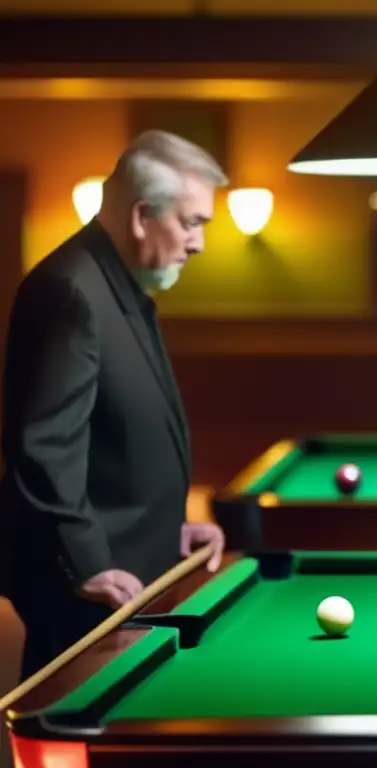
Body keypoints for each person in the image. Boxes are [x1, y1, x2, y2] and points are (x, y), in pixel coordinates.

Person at [0, 130, 229, 681]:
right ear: (141, 215)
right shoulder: (72, 290)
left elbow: (114, 440)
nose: (197, 243)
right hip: (90, 596)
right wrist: (87, 564)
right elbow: (43, 446)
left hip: (126, 577)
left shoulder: (115, 284)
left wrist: (167, 525)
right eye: (191, 222)